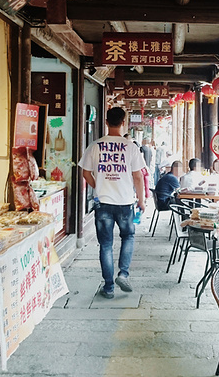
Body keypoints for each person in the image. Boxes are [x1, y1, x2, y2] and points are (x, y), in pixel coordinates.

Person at [80, 108, 146, 299]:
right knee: (128, 237)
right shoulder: (131, 147)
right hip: (125, 203)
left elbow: (85, 173)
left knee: (106, 245)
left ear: (106, 122)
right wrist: (141, 200)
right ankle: (123, 274)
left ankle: (108, 288)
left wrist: (98, 187)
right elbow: (138, 177)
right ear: (123, 122)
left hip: (103, 203)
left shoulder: (95, 146)